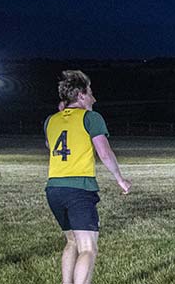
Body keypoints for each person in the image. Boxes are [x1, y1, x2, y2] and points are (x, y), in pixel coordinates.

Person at [44, 70, 132, 284]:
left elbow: (49, 146)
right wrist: (120, 179)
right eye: (91, 93)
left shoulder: (50, 120)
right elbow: (104, 153)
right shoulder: (91, 118)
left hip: (54, 189)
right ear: (81, 95)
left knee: (72, 241)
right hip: (79, 190)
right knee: (88, 248)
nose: (94, 98)